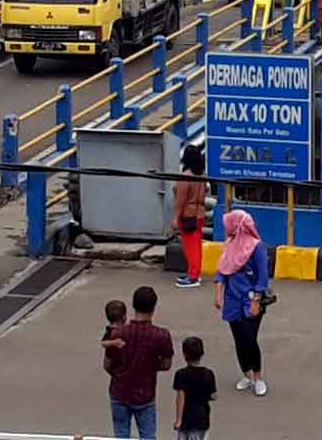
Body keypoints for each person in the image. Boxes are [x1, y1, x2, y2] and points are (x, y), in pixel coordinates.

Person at [104, 285, 174, 438]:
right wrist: (148, 366)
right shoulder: (161, 335)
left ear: (133, 305)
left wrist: (119, 373)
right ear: (153, 307)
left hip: (119, 392)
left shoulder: (117, 333)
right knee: (148, 435)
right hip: (145, 393)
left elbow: (107, 365)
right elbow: (167, 364)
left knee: (121, 433)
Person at [214, 209, 270, 397]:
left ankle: (258, 377)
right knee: (238, 339)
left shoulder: (257, 247)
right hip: (232, 300)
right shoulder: (229, 245)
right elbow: (222, 270)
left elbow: (263, 277)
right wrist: (218, 294)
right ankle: (246, 375)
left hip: (250, 300)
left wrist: (256, 301)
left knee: (249, 339)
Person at [173, 144, 209, 288]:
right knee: (197, 245)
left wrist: (175, 217)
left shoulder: (185, 176)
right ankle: (194, 272)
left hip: (188, 214)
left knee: (190, 247)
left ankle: (192, 275)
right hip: (200, 214)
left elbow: (180, 200)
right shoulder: (202, 176)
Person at [172, 336, 217, 440]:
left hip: (187, 419)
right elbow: (213, 395)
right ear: (202, 354)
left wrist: (178, 420)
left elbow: (181, 396)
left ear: (184, 354)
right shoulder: (209, 374)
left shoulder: (181, 374)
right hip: (202, 418)